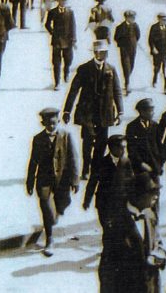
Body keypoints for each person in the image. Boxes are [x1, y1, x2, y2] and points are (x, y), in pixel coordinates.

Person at [63, 39, 123, 179]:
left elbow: (117, 91)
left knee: (102, 143)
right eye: (100, 52)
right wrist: (67, 110)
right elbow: (73, 90)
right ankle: (85, 168)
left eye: (105, 52)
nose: (102, 55)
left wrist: (120, 112)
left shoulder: (111, 70)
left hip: (105, 112)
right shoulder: (84, 69)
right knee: (88, 141)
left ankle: (96, 168)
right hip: (87, 112)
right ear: (95, 53)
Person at [97, 172, 166, 293]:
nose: (156, 196)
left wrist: (160, 254)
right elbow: (107, 269)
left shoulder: (151, 215)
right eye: (151, 192)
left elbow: (158, 241)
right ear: (138, 195)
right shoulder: (116, 223)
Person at [26, 107, 79, 257]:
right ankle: (49, 239)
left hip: (62, 179)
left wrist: (75, 180)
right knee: (46, 208)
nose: (51, 126)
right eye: (48, 123)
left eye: (53, 123)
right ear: (43, 123)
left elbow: (73, 158)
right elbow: (33, 162)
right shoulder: (38, 139)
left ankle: (56, 214)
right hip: (44, 180)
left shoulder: (66, 136)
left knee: (63, 203)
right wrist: (30, 182)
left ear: (58, 121)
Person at [84, 133, 134, 225]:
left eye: (125, 147)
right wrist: (87, 200)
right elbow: (92, 182)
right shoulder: (102, 163)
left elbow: (131, 181)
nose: (124, 150)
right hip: (105, 204)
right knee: (108, 232)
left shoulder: (126, 161)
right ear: (113, 148)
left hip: (121, 203)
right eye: (121, 148)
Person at [44, 0, 77, 89]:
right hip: (57, 40)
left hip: (68, 40)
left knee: (68, 60)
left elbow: (73, 26)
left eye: (65, 0)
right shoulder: (52, 12)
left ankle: (66, 72)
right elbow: (47, 24)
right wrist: (52, 32)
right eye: (61, 0)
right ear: (58, 1)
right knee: (56, 62)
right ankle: (57, 82)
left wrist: (74, 39)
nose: (63, 2)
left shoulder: (70, 12)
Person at [126, 98, 163, 179]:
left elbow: (159, 145)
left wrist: (160, 163)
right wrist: (140, 163)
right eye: (150, 111)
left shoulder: (155, 126)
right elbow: (131, 149)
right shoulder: (132, 127)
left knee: (155, 189)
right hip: (140, 167)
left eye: (153, 110)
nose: (153, 113)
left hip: (155, 165)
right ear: (142, 112)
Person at [114, 10, 141, 95]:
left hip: (133, 48)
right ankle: (127, 83)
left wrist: (134, 42)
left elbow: (138, 35)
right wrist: (122, 43)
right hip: (124, 49)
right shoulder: (120, 27)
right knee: (126, 65)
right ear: (127, 18)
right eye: (132, 17)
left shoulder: (135, 26)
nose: (133, 19)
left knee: (131, 65)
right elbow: (116, 37)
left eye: (134, 17)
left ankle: (127, 79)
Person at [148, 12, 166, 91]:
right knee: (157, 68)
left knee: (165, 69)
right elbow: (150, 40)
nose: (164, 21)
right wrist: (153, 48)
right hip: (157, 52)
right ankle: (154, 80)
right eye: (163, 19)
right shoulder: (154, 27)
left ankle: (165, 87)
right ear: (159, 19)